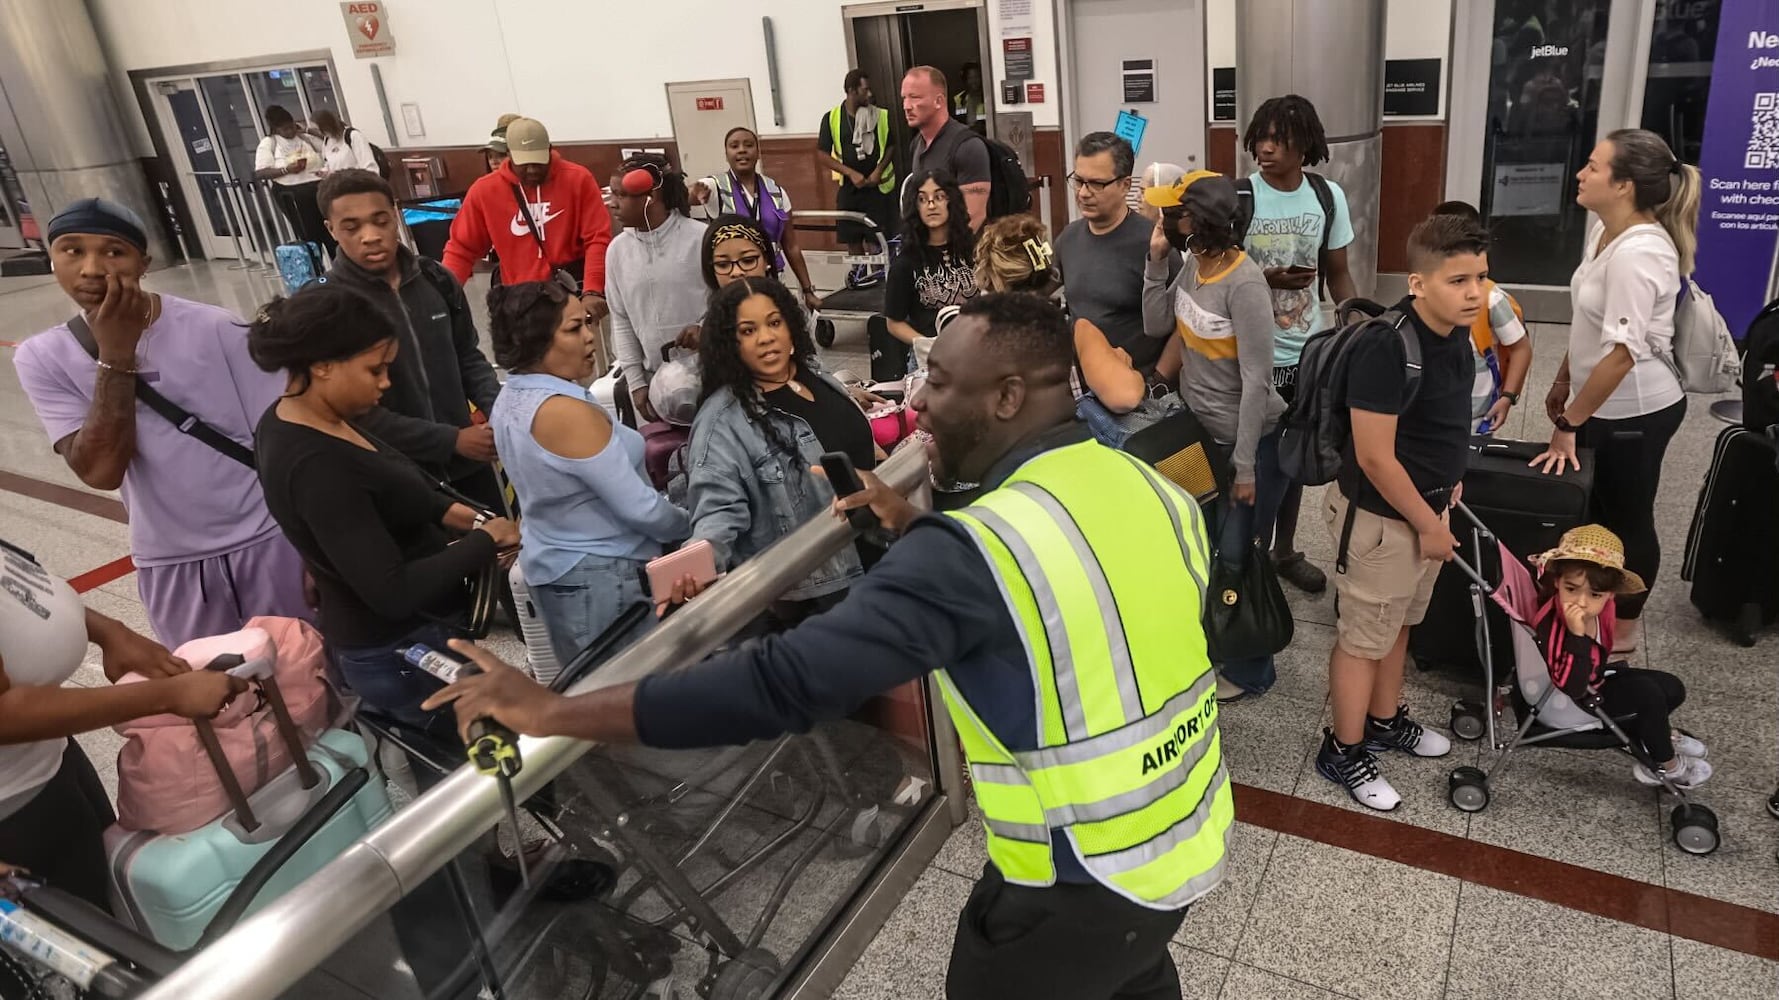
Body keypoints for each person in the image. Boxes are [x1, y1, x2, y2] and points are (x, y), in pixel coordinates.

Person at [422, 293, 1233, 1000]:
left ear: (1009, 395)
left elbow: (783, 682)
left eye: (943, 384)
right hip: (1185, 832)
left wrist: (555, 709)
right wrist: (915, 525)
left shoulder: (974, 553)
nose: (920, 404)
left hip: (1081, 874)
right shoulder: (1144, 483)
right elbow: (1079, 599)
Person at [12, 199, 310, 648]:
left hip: (268, 540)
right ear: (52, 258)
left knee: (308, 674)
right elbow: (99, 471)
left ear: (143, 263)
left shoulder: (216, 328)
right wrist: (116, 355)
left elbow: (288, 442)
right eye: (72, 251)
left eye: (114, 252)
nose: (92, 268)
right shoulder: (41, 357)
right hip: (172, 559)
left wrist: (314, 550)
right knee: (218, 698)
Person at [248, 283, 518, 730]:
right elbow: (392, 591)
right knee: (479, 768)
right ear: (322, 366)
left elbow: (401, 490)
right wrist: (483, 542)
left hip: (413, 635)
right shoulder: (316, 465)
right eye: (374, 370)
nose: (385, 383)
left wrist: (467, 517)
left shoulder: (313, 417)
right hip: (400, 647)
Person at [1315, 213, 1479, 811]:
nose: (1474, 293)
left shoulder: (1458, 332)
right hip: (1384, 523)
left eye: (1480, 278)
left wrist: (1449, 486)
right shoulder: (1389, 346)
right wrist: (1429, 525)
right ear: (1418, 282)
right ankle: (1343, 749)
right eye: (1458, 280)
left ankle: (1384, 721)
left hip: (1427, 513)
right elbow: (1376, 458)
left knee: (1399, 624)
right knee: (1363, 637)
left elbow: (1443, 422)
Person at [0, 539, 246, 911]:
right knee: (84, 943)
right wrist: (167, 695)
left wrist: (109, 631)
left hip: (50, 761)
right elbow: (5, 714)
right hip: (15, 816)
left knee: (110, 900)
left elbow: (20, 589)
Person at [1531, 129, 1699, 658]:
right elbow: (1589, 322)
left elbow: (1623, 354)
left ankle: (1624, 633)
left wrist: (1569, 425)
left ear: (1624, 185)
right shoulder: (1605, 233)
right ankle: (1588, 611)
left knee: (1628, 516)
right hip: (1600, 403)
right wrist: (1564, 380)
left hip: (1637, 412)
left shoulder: (1640, 252)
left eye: (1594, 166)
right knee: (1594, 511)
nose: (1581, 173)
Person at [488, 280, 689, 665]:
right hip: (601, 576)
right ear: (536, 340)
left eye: (586, 324)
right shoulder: (564, 412)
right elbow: (641, 510)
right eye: (573, 329)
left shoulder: (511, 396)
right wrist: (692, 525)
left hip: (559, 567)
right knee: (628, 699)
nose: (589, 337)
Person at [1142, 171, 1287, 701]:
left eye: (1171, 213)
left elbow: (1257, 382)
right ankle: (1220, 646)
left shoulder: (1244, 283)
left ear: (1197, 221)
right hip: (1198, 430)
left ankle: (1252, 671)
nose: (1162, 219)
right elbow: (1158, 323)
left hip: (1241, 441)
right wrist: (1157, 261)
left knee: (1237, 554)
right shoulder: (1194, 267)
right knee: (1206, 548)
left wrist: (1245, 467)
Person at [688, 278, 873, 627]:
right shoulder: (721, 424)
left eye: (774, 323)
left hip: (875, 562)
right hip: (820, 598)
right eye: (747, 330)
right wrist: (698, 564)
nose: (766, 337)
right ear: (730, 343)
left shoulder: (815, 376)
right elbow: (717, 513)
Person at [315, 169, 504, 508]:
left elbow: (467, 356)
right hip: (395, 479)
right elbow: (349, 412)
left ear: (396, 216)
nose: (370, 236)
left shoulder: (436, 279)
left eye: (381, 221)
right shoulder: (328, 306)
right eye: (352, 227)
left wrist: (501, 414)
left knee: (500, 553)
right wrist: (448, 440)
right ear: (331, 229)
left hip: (469, 464)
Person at [1239, 95, 1358, 596]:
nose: (1265, 149)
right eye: (1260, 138)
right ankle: (1247, 558)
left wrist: (1356, 327)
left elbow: (1339, 273)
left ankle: (1283, 551)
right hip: (1250, 357)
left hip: (1306, 355)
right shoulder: (1241, 198)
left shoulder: (1327, 196)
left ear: (1304, 144)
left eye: (1278, 140)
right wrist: (1267, 278)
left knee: (1294, 459)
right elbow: (1214, 274)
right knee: (1258, 464)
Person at [1530, 525, 1710, 787]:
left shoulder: (1604, 606)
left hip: (1597, 677)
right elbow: (1571, 686)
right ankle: (1666, 765)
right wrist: (1577, 637)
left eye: (1595, 594)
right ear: (1557, 581)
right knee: (1648, 696)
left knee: (1672, 687)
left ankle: (1655, 736)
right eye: (1571, 588)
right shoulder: (1557, 628)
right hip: (1579, 697)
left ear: (1610, 594)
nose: (1581, 601)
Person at [973, 213, 1160, 447]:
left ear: (990, 277)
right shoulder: (1075, 333)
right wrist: (1126, 367)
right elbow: (1125, 397)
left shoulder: (977, 344)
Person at [442, 117, 612, 324]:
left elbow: (597, 238)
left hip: (571, 296)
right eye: (524, 163)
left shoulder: (577, 179)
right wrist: (444, 299)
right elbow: (461, 249)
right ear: (509, 155)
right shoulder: (484, 191)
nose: (532, 169)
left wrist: (593, 289)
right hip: (520, 303)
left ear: (550, 150)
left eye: (539, 161)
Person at [1056, 132, 1179, 372]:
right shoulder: (1068, 239)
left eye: (1097, 184)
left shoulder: (1154, 244)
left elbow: (1186, 325)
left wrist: (1160, 380)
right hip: (1084, 391)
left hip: (1139, 390)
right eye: (1079, 181)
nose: (1083, 193)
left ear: (1125, 185)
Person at [607, 153, 707, 424]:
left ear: (650, 196)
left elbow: (726, 302)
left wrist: (705, 329)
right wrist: (637, 384)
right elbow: (621, 319)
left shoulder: (700, 239)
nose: (612, 203)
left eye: (620, 194)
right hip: (655, 387)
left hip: (712, 381)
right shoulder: (617, 251)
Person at [692, 127, 821, 313]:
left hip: (773, 279)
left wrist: (808, 290)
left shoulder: (776, 191)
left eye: (749, 145)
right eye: (734, 146)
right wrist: (696, 193)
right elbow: (691, 192)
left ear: (758, 152)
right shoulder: (716, 187)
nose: (742, 150)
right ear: (726, 154)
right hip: (734, 283)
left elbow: (791, 245)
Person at [1432, 201, 1532, 433]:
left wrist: (1508, 396)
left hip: (1477, 419)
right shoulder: (1423, 291)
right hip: (1433, 414)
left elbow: (1521, 348)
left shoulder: (1491, 299)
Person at [877, 170, 978, 378]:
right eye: (923, 199)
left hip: (975, 352)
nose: (931, 205)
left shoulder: (974, 251)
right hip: (930, 360)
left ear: (952, 201)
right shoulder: (906, 262)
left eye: (939, 197)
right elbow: (893, 323)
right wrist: (924, 344)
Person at [818, 69, 898, 286]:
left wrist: (879, 170)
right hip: (850, 189)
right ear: (852, 91)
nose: (869, 94)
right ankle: (859, 278)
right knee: (852, 236)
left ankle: (881, 280)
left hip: (876, 188)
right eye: (865, 90)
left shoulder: (880, 115)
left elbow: (891, 145)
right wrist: (850, 173)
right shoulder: (832, 118)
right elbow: (822, 154)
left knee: (876, 239)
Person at [903, 66, 991, 230]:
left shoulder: (968, 146)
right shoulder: (917, 144)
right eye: (904, 98)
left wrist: (946, 253)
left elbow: (974, 217)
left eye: (915, 97)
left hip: (964, 250)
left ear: (939, 101)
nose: (907, 106)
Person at [251, 105, 334, 259]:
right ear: (276, 129)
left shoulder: (304, 138)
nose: (290, 132)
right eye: (285, 130)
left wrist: (306, 130)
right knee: (309, 234)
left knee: (330, 231)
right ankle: (317, 270)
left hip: (317, 186)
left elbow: (329, 141)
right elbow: (260, 172)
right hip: (292, 192)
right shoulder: (269, 143)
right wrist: (286, 170)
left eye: (291, 127)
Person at [310, 110, 378, 176]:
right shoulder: (327, 141)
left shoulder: (353, 136)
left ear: (327, 126)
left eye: (318, 129)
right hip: (340, 185)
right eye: (315, 130)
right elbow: (330, 164)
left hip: (358, 183)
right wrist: (324, 171)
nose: (319, 133)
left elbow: (370, 167)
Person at [951, 62, 988, 134]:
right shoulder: (959, 99)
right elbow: (955, 121)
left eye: (976, 77)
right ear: (965, 80)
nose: (974, 81)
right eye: (970, 78)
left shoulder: (987, 97)